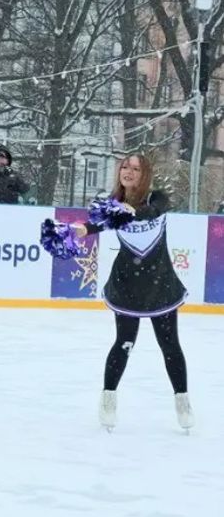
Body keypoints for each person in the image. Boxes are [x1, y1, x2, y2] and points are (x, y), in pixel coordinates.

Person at [70, 154, 193, 432]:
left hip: (160, 284)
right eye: (125, 166)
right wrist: (82, 229)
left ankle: (182, 400)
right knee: (125, 342)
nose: (128, 171)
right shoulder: (110, 204)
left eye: (135, 168)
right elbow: (96, 225)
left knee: (170, 345)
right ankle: (108, 398)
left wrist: (131, 212)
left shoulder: (156, 198)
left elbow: (154, 211)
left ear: (144, 174)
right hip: (127, 284)